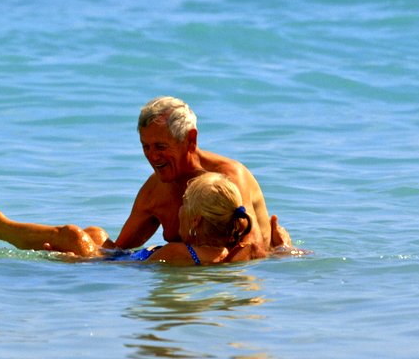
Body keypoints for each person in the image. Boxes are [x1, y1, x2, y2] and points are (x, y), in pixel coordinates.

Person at [0, 172, 263, 266]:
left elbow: (129, 270)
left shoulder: (180, 252)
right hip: (120, 259)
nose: (178, 210)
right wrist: (283, 247)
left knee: (72, 235)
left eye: (183, 205)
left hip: (108, 269)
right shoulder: (230, 252)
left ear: (195, 222)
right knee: (95, 233)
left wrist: (83, 260)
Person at [115, 96, 290, 255]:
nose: (152, 157)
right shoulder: (155, 189)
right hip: (192, 277)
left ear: (190, 139)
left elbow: (253, 249)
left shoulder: (227, 179)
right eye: (145, 146)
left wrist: (284, 251)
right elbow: (116, 252)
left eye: (161, 147)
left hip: (237, 278)